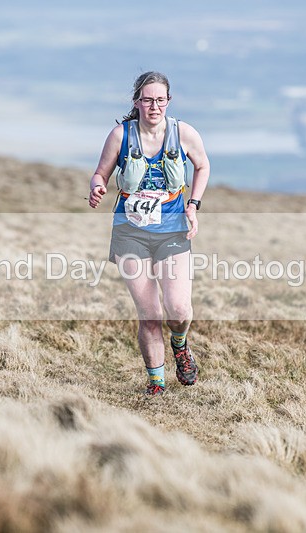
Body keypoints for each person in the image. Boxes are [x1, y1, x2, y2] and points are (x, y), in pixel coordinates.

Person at [88, 71, 210, 396]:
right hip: (130, 233)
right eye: (147, 99)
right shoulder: (120, 135)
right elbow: (100, 173)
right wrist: (97, 187)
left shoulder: (183, 133)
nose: (154, 106)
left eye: (159, 99)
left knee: (179, 308)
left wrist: (193, 205)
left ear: (168, 101)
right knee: (150, 313)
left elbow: (203, 165)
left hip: (172, 231)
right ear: (136, 102)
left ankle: (180, 345)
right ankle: (156, 385)